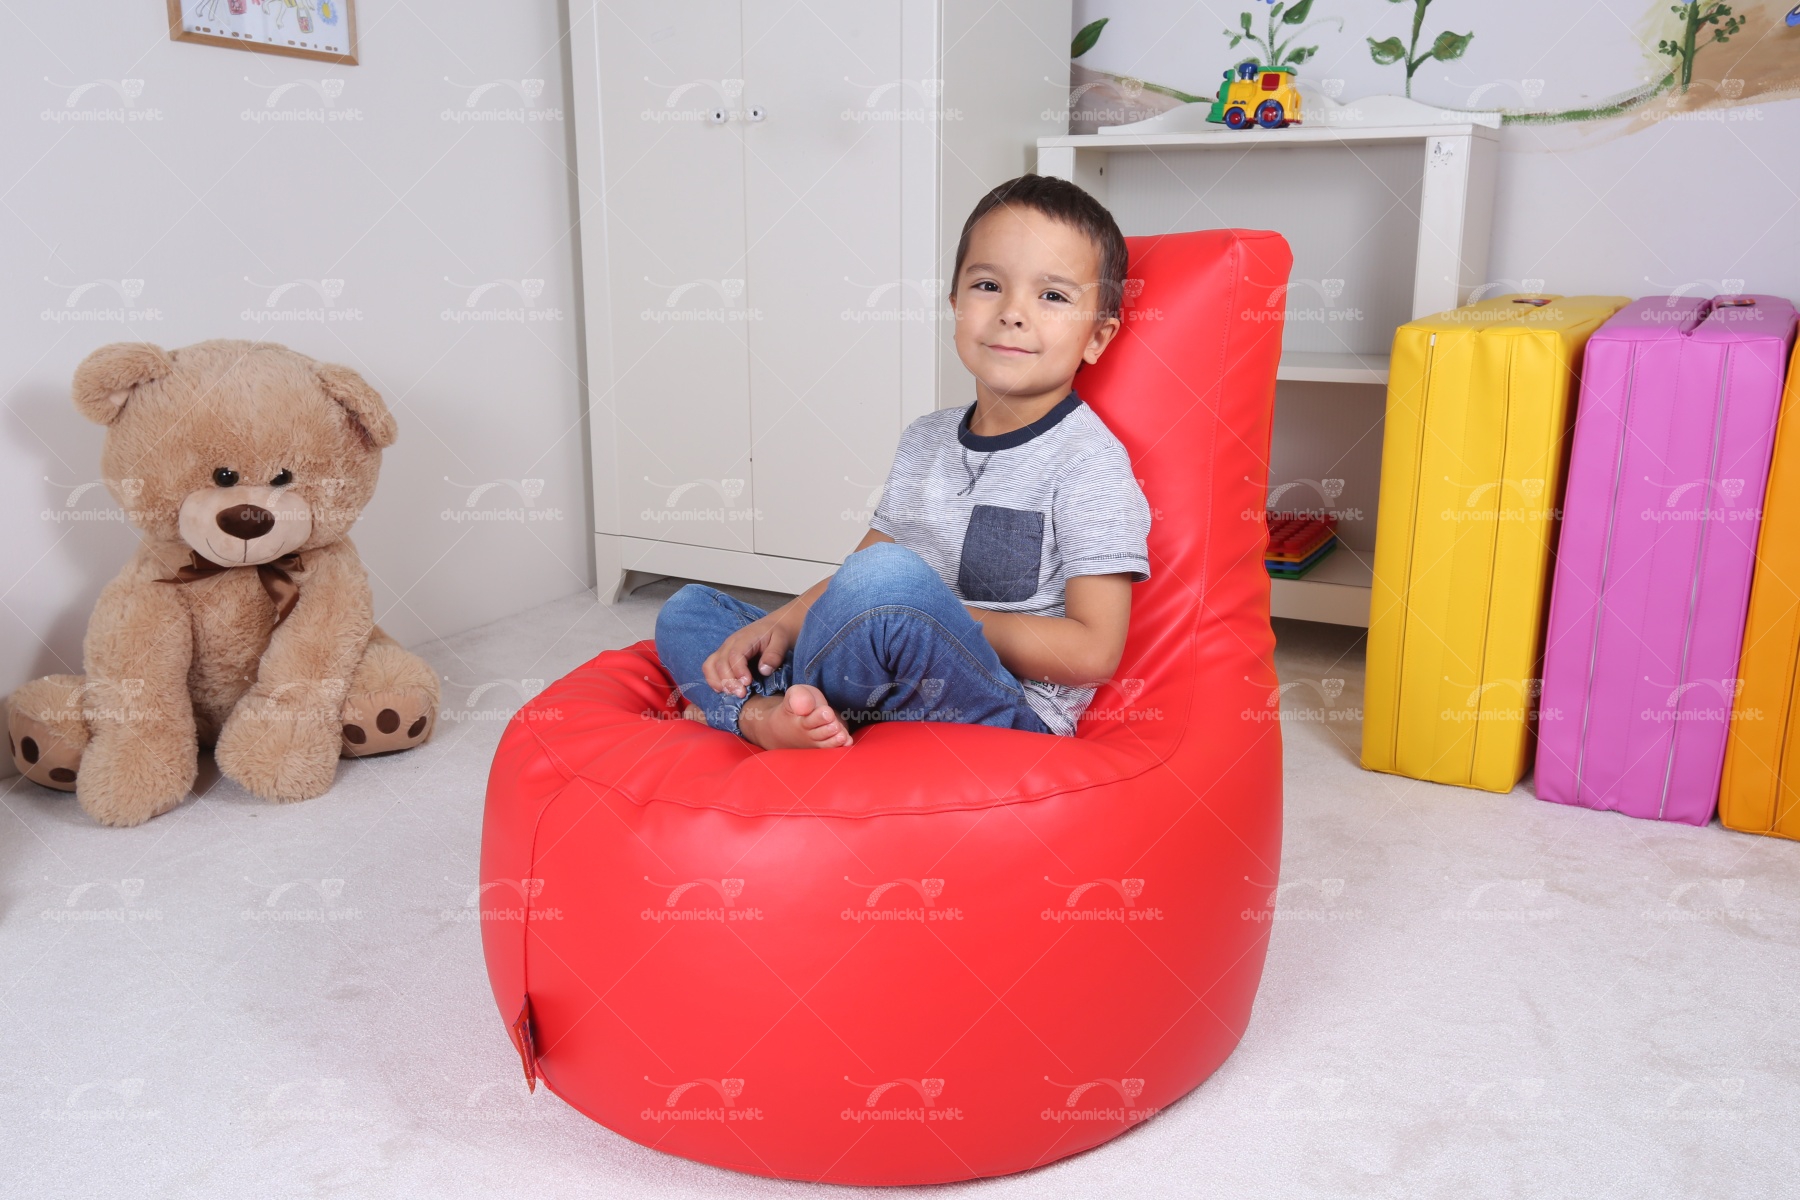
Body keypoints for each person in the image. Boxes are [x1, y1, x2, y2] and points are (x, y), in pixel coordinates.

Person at [654, 174, 1152, 750]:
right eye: (989, 285)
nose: (1013, 312)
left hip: (997, 702)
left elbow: (1093, 653)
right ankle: (765, 714)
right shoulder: (926, 437)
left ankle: (763, 708)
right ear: (955, 305)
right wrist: (781, 623)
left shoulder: (1088, 461)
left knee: (888, 579)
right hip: (880, 661)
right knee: (689, 608)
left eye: (1053, 296)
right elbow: (855, 576)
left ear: (1097, 338)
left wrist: (933, 614)